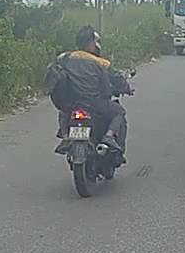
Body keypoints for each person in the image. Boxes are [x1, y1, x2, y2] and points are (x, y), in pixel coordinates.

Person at [54, 26, 129, 158]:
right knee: (119, 112)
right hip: (95, 105)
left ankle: (65, 137)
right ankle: (109, 136)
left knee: (63, 112)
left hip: (72, 105)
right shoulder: (101, 63)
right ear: (91, 43)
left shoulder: (65, 58)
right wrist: (126, 88)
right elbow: (115, 80)